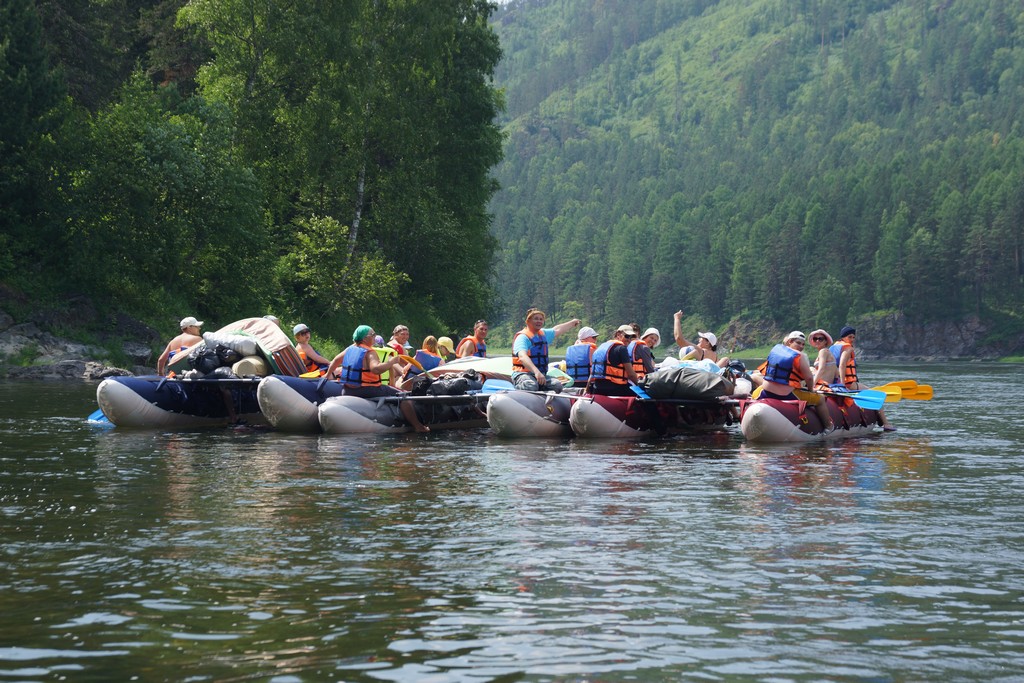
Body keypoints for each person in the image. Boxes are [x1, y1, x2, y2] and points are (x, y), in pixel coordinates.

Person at [324, 325, 430, 433]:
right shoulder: (370, 352)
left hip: (347, 389)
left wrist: (327, 376)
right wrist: (392, 362)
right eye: (372, 335)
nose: (375, 336)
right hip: (367, 389)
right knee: (403, 395)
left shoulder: (349, 349)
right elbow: (375, 369)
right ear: (365, 339)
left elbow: (335, 360)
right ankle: (418, 426)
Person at [761, 331, 833, 431]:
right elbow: (809, 378)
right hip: (786, 394)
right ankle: (828, 427)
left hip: (766, 392)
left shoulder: (775, 350)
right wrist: (811, 389)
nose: (801, 346)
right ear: (790, 341)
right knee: (820, 399)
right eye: (798, 343)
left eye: (803, 344)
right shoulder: (800, 356)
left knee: (754, 393)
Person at [831, 326, 895, 431]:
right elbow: (842, 365)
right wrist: (842, 385)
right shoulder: (848, 348)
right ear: (843, 337)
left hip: (833, 383)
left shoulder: (834, 347)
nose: (851, 339)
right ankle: (886, 424)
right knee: (874, 395)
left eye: (853, 337)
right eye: (849, 337)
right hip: (848, 384)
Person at [511, 308, 581, 391]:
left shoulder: (543, 334)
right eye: (536, 319)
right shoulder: (522, 337)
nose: (539, 321)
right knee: (531, 385)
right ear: (528, 321)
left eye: (541, 319)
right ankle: (519, 391)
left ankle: (545, 398)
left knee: (557, 385)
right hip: (523, 374)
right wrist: (536, 372)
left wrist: (572, 323)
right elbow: (522, 357)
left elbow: (557, 329)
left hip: (541, 375)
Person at [589, 325, 641, 396]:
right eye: (627, 336)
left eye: (631, 337)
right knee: (641, 396)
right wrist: (641, 387)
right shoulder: (622, 349)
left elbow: (592, 373)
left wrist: (587, 389)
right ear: (618, 334)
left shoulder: (601, 346)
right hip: (615, 388)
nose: (629, 340)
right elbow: (631, 375)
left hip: (597, 388)